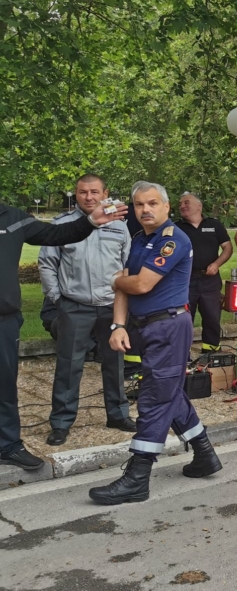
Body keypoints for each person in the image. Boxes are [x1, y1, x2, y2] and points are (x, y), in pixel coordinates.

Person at [88, 182, 222, 505]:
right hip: (145, 327)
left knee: (154, 398)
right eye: (139, 204)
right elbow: (125, 286)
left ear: (166, 207)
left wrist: (117, 280)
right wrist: (118, 325)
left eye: (152, 203)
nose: (145, 209)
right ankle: (204, 454)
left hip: (169, 327)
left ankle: (138, 476)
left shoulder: (173, 240)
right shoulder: (138, 239)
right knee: (169, 392)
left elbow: (140, 284)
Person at [0, 196, 128, 470]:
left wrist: (91, 221)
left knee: (5, 386)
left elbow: (56, 235)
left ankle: (8, 445)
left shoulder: (12, 218)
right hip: (70, 305)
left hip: (4, 321)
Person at [38, 174, 136, 447]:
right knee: (69, 367)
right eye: (83, 192)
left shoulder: (119, 226)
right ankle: (61, 423)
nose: (89, 197)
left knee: (115, 364)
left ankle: (118, 415)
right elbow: (47, 263)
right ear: (76, 194)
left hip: (111, 306)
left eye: (94, 191)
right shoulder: (62, 225)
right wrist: (57, 299)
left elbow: (127, 265)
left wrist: (124, 300)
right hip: (74, 306)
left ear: (105, 193)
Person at [177, 193, 232, 352]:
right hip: (186, 281)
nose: (182, 206)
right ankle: (182, 355)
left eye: (186, 203)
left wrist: (217, 264)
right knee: (184, 319)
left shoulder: (214, 225)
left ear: (199, 206)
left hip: (210, 280)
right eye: (180, 204)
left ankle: (211, 353)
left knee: (212, 318)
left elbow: (228, 248)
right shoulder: (176, 228)